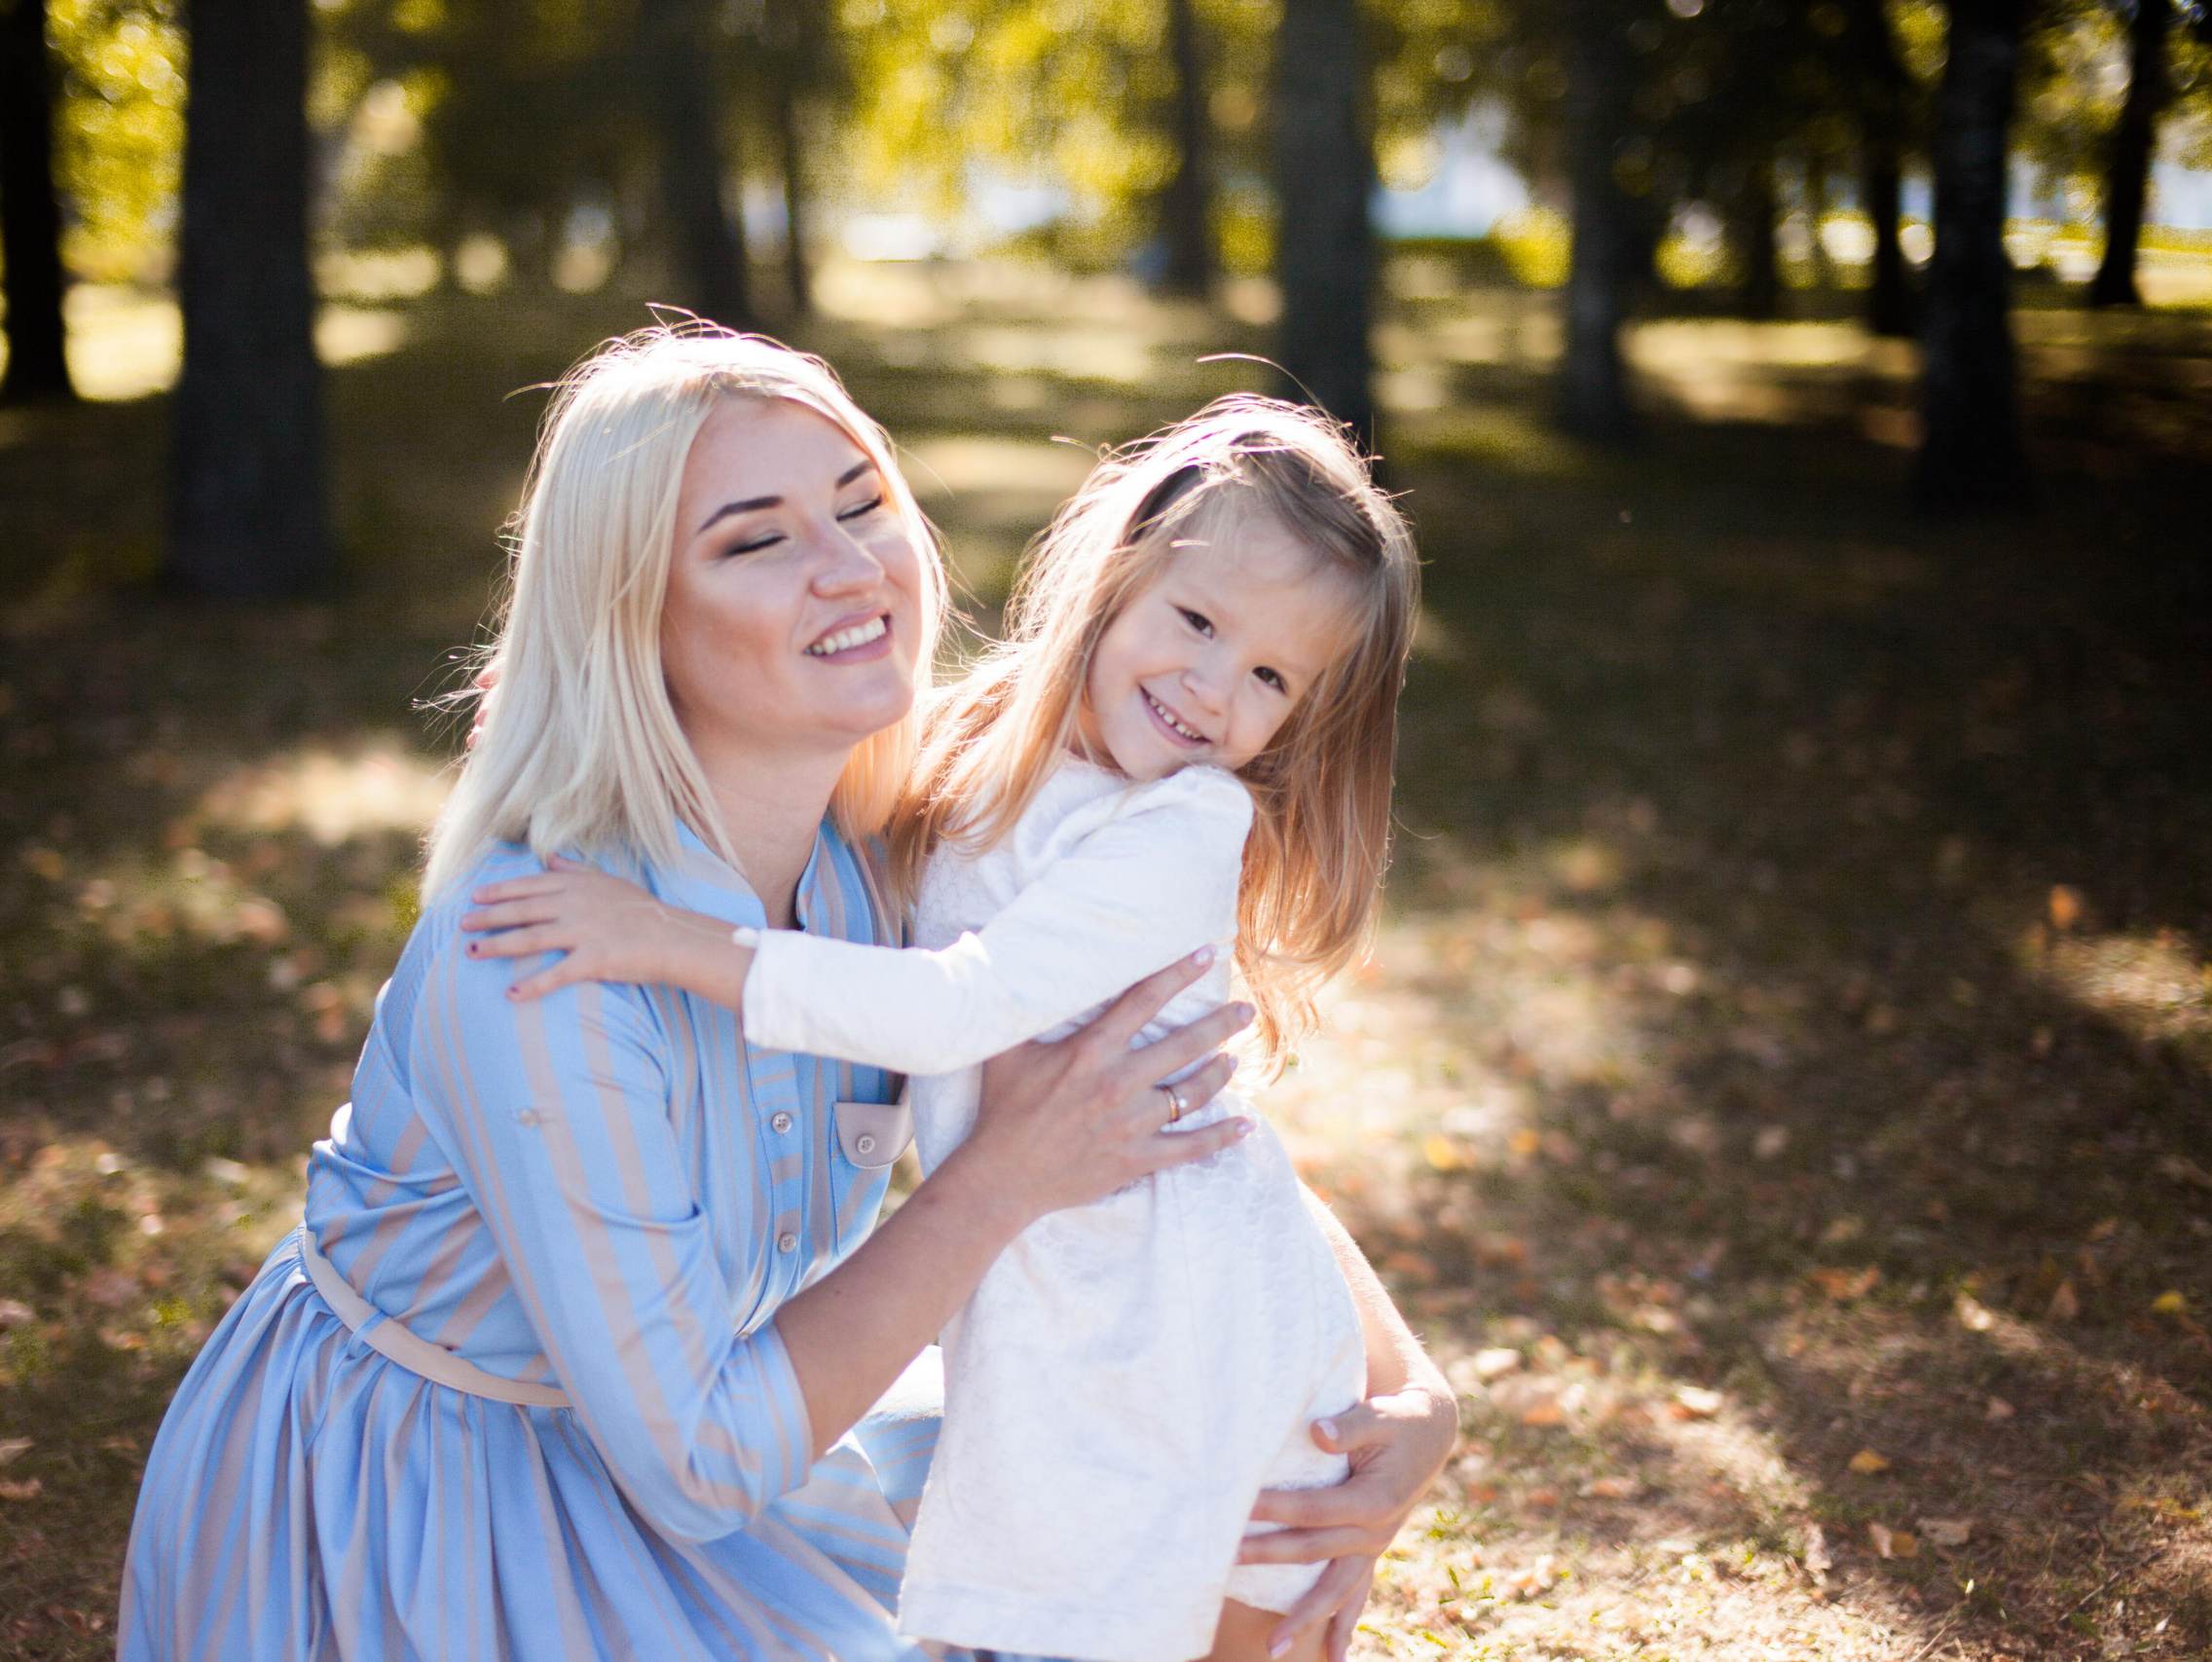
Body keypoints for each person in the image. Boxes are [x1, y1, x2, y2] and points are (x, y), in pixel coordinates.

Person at [118, 325, 1453, 1662]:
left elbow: (1142, 1110)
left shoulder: (895, 842)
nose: (849, 567)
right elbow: (696, 1460)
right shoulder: (543, 950)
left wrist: (1412, 1400)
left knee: (1182, 1490)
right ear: (628, 609)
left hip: (733, 1434)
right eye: (755, 541)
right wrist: (1000, 1182)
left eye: (862, 504)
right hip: (442, 1490)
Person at [460, 395, 1443, 1662]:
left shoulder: (1184, 826)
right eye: (1197, 622)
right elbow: (779, 754)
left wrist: (672, 947)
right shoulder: (988, 741)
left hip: (1191, 1309)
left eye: (1270, 679)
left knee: (1238, 1624)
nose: (1213, 689)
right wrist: (588, 707)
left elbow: (961, 1008)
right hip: (1061, 1296)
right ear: (1114, 580)